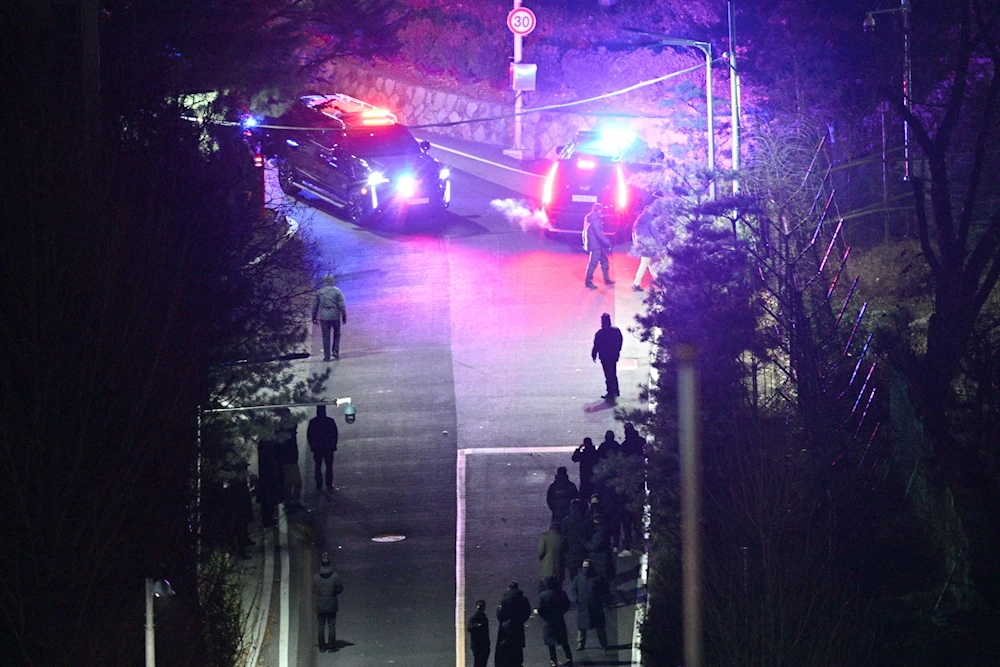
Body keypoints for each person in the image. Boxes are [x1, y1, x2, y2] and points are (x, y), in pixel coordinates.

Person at [572, 560, 610, 651]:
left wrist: (577, 600)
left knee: (582, 626)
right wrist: (604, 601)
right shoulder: (597, 578)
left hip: (583, 605)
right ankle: (603, 643)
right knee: (599, 626)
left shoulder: (578, 578)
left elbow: (574, 590)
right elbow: (604, 590)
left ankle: (581, 644)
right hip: (596, 605)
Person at [537, 576, 574, 667]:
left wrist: (546, 617)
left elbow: (540, 609)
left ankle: (553, 660)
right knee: (564, 640)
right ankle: (569, 657)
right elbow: (567, 605)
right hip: (559, 619)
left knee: (550, 642)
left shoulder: (542, 596)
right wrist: (561, 613)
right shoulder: (561, 593)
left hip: (548, 621)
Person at [495, 581, 532, 667]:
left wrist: (503, 622)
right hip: (518, 625)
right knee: (517, 646)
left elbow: (499, 614)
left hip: (506, 625)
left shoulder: (504, 599)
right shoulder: (523, 599)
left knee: (505, 645)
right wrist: (521, 620)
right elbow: (527, 611)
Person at [312, 274, 347, 361]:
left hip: (324, 317)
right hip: (335, 316)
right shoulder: (337, 292)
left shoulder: (319, 292)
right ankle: (335, 351)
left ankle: (327, 356)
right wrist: (344, 316)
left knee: (326, 336)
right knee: (337, 333)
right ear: (332, 281)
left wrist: (314, 316)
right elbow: (342, 306)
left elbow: (315, 306)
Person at [314, 553, 344, 652]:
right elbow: (340, 589)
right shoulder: (335, 576)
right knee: (331, 625)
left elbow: (313, 590)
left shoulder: (316, 577)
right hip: (331, 604)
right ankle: (332, 646)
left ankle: (322, 646)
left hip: (320, 604)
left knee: (321, 626)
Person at [273, 407, 302, 508]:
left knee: (289, 483)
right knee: (295, 482)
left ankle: (290, 501)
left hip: (288, 459)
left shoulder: (280, 430)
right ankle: (293, 501)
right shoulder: (285, 432)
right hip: (289, 459)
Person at [591, 313, 623, 401]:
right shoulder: (616, 331)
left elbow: (596, 345)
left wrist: (594, 354)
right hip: (612, 356)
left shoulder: (600, 333)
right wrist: (617, 352)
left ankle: (611, 391)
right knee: (612, 372)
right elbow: (619, 342)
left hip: (605, 356)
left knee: (608, 374)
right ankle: (615, 390)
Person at [307, 405, 339, 492]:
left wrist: (312, 446)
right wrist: (334, 445)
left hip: (318, 448)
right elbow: (335, 434)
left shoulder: (313, 422)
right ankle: (329, 485)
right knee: (328, 467)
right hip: (328, 447)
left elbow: (309, 436)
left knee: (318, 466)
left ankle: (319, 484)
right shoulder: (330, 421)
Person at [582, 203, 614, 289]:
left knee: (604, 261)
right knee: (593, 263)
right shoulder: (595, 219)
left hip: (594, 243)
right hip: (595, 244)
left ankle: (607, 279)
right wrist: (608, 242)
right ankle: (588, 282)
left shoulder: (589, 217)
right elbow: (599, 234)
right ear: (600, 210)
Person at [630, 203, 659, 292]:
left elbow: (633, 233)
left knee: (650, 263)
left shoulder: (638, 220)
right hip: (649, 245)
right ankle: (636, 284)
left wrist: (636, 245)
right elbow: (655, 233)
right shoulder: (651, 219)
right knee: (645, 264)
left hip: (641, 245)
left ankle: (657, 280)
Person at [560, 499, 591, 582]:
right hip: (584, 552)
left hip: (571, 552)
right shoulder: (587, 521)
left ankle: (575, 590)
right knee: (585, 574)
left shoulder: (566, 521)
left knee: (573, 576)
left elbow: (562, 534)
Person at [538, 521, 568, 591]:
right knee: (557, 590)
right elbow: (566, 550)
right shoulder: (563, 538)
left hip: (546, 569)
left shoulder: (545, 537)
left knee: (544, 589)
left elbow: (541, 552)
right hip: (559, 569)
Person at [468, 599, 491, 667]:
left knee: (482, 663)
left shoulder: (484, 618)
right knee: (478, 663)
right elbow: (469, 628)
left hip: (483, 646)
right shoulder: (474, 618)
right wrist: (477, 626)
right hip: (477, 646)